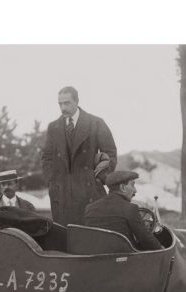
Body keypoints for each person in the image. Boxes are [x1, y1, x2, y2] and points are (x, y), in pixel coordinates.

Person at [41, 86, 117, 226]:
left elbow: (110, 154)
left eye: (67, 103)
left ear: (77, 101)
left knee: (91, 235)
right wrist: (53, 182)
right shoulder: (53, 127)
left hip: (88, 192)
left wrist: (98, 179)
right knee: (65, 237)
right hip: (62, 194)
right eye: (60, 104)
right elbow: (46, 157)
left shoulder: (96, 123)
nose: (63, 108)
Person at [84, 170, 162, 251]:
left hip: (95, 258)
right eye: (132, 185)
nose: (135, 191)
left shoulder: (90, 208)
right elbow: (146, 240)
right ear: (123, 188)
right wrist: (162, 248)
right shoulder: (130, 208)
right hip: (124, 260)